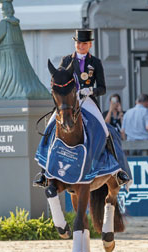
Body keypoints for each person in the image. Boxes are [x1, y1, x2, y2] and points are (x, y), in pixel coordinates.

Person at [34, 29, 129, 187]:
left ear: (89, 44)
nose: (81, 45)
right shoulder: (65, 61)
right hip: (68, 101)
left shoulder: (95, 62)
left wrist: (90, 90)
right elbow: (58, 80)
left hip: (87, 100)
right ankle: (44, 171)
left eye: (84, 43)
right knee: (50, 125)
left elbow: (103, 88)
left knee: (105, 131)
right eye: (78, 42)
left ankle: (116, 170)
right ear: (75, 43)